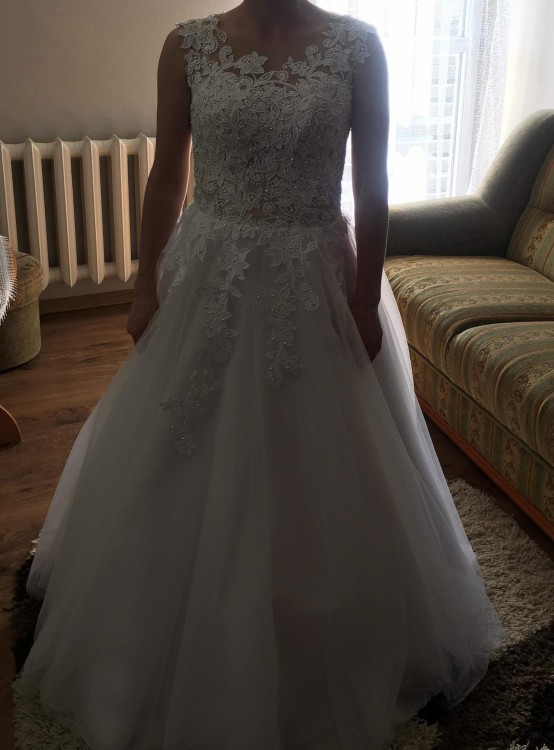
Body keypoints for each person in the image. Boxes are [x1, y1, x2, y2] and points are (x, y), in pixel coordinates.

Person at [14, 1, 505, 748]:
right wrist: (145, 287)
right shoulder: (187, 45)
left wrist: (364, 297)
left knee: (324, 462)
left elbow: (372, 183)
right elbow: (166, 176)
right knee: (179, 448)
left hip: (316, 280)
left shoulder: (359, 47)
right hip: (210, 273)